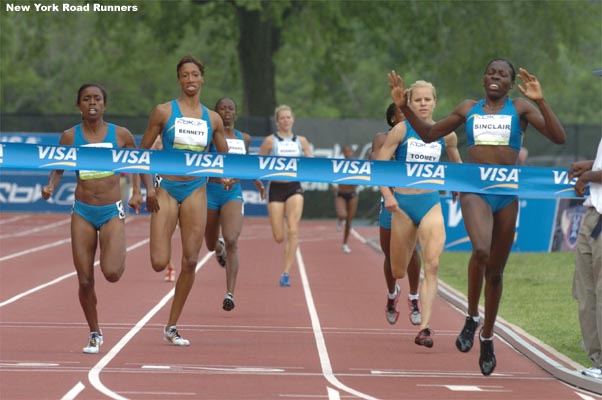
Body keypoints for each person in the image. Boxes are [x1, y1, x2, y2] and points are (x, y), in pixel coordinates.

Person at [388, 59, 566, 375]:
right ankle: (471, 317)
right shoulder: (468, 108)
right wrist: (406, 107)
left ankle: (486, 335)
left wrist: (541, 101)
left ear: (511, 84)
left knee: (495, 273)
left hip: (506, 194)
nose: (495, 77)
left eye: (502, 75)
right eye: (491, 72)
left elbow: (558, 137)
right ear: (484, 79)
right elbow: (429, 134)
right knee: (480, 251)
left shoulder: (520, 108)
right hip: (474, 190)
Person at [131, 55, 230, 346]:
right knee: (159, 263)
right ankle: (164, 251)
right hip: (166, 189)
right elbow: (140, 154)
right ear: (179, 79)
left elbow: (225, 156)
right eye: (185, 75)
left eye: (195, 74)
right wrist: (141, 190)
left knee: (190, 259)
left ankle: (171, 325)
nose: (190, 79)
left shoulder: (212, 119)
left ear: (202, 79)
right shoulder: (163, 112)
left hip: (196, 190)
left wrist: (226, 175)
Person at [42, 83, 140, 354]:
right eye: (86, 99)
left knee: (111, 273)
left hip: (110, 211)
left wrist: (139, 191)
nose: (92, 103)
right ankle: (95, 332)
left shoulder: (120, 134)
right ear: (79, 106)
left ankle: (118, 251)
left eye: (97, 98)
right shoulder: (69, 136)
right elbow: (58, 166)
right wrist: (51, 185)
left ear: (104, 105)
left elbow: (139, 161)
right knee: (84, 279)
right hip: (83, 211)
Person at [377, 80, 462, 348]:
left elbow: (457, 165)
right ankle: (396, 292)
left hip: (431, 203)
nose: (423, 104)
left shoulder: (446, 134)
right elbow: (379, 167)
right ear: (409, 104)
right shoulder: (401, 131)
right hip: (402, 205)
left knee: (433, 263)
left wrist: (458, 186)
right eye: (418, 100)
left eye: (428, 100)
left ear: (435, 102)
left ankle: (425, 328)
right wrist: (388, 196)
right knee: (398, 269)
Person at [204, 97, 265, 311]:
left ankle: (230, 293)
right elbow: (201, 163)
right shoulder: (210, 137)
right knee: (210, 244)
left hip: (233, 194)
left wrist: (257, 180)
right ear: (216, 113)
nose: (227, 112)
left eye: (231, 108)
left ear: (236, 114)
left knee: (232, 239)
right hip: (211, 192)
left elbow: (246, 164)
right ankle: (217, 249)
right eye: (222, 108)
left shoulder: (244, 138)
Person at [370, 103, 423, 326]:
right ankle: (392, 295)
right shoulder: (383, 138)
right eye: (402, 113)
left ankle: (413, 297)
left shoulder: (420, 135)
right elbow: (375, 164)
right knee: (390, 255)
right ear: (393, 118)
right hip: (390, 200)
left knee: (411, 251)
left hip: (411, 199)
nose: (407, 117)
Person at [568, 69, 602, 380]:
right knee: (586, 290)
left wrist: (589, 176)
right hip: (594, 214)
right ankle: (597, 360)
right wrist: (590, 167)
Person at [257, 105, 313, 287]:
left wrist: (308, 165)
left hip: (294, 187)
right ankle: (280, 222)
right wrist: (259, 182)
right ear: (277, 121)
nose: (286, 120)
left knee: (293, 229)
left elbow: (312, 161)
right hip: (276, 189)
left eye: (288, 117)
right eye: (282, 118)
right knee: (279, 236)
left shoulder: (301, 141)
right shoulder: (270, 141)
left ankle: (286, 273)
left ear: (293, 119)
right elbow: (257, 164)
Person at [333, 145, 359, 254]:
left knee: (349, 221)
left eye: (349, 151)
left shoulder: (356, 165)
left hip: (352, 194)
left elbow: (362, 178)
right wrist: (334, 186)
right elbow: (330, 177)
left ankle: (345, 244)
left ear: (352, 152)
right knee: (342, 215)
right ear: (343, 153)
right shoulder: (339, 164)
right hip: (341, 194)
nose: (347, 153)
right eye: (345, 151)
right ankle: (339, 220)